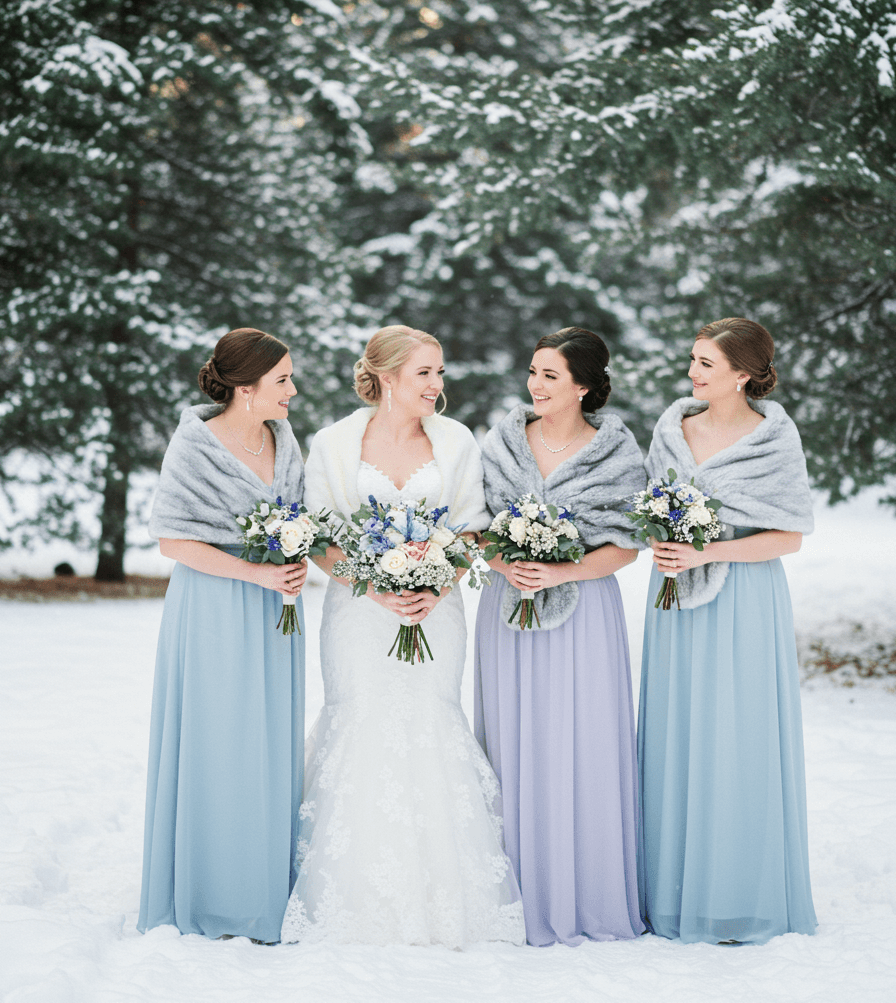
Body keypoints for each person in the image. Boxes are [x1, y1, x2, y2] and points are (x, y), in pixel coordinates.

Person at [280, 325, 525, 949]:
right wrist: (374, 586)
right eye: (425, 373)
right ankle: (350, 896)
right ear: (387, 376)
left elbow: (472, 529)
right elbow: (320, 538)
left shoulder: (457, 440)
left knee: (429, 721)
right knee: (360, 721)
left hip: (436, 613)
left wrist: (435, 586)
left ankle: (444, 899)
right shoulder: (333, 443)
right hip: (357, 613)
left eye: (439, 372)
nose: (437, 384)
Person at [638, 317, 817, 945]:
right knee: (678, 730)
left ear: (743, 374)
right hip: (673, 599)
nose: (692, 372)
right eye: (693, 360)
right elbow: (645, 512)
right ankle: (671, 891)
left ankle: (740, 894)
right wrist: (665, 542)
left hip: (746, 598)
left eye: (706, 364)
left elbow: (789, 537)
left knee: (740, 734)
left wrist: (709, 552)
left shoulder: (774, 439)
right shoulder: (672, 430)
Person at [474, 327, 647, 946]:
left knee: (583, 740)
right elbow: (475, 528)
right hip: (508, 607)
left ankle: (587, 893)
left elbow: (627, 545)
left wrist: (563, 571)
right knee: (514, 739)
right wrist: (505, 563)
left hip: (585, 613)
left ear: (584, 386)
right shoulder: (500, 442)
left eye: (550, 375)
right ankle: (513, 895)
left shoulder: (617, 452)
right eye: (533, 371)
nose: (535, 385)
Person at [138, 328, 307, 942]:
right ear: (245, 386)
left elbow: (300, 517)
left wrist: (295, 560)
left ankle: (263, 890)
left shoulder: (284, 439)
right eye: (282, 379)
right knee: (216, 740)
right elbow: (172, 540)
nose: (293, 390)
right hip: (212, 605)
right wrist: (254, 572)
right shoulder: (195, 445)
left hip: (275, 610)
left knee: (268, 741)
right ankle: (209, 892)